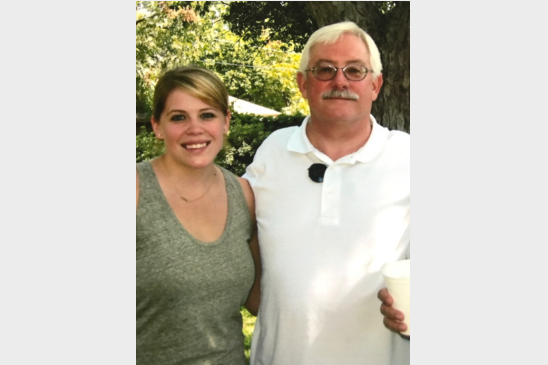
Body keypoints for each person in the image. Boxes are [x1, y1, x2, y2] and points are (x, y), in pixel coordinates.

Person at [244, 21, 410, 364]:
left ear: (376, 85)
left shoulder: (409, 157)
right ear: (303, 83)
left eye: (355, 70)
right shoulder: (273, 151)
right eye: (325, 70)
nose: (340, 81)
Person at [136, 65, 261, 364]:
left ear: (226, 122)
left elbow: (259, 300)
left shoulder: (244, 195)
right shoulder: (135, 190)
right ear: (157, 125)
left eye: (207, 115)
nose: (195, 128)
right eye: (179, 117)